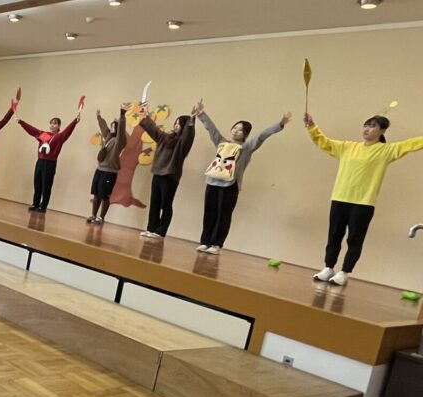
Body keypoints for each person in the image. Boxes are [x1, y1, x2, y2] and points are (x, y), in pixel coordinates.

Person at [305, 112, 423, 285]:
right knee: (334, 235)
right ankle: (328, 267)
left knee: (354, 239)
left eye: (372, 126)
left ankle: (344, 272)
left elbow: (410, 144)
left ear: (382, 131)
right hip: (339, 198)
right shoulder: (347, 147)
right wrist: (312, 127)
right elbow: (325, 142)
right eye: (366, 125)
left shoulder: (387, 150)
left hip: (363, 203)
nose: (367, 129)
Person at [195, 101, 290, 253]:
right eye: (235, 128)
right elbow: (212, 129)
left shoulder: (246, 147)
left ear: (245, 134)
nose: (236, 131)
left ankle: (216, 244)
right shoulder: (221, 142)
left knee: (223, 215)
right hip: (212, 182)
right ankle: (205, 241)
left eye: (240, 130)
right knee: (209, 213)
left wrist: (280, 124)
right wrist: (201, 114)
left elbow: (261, 136)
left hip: (230, 185)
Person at [138, 106, 196, 239]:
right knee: (155, 203)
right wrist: (146, 116)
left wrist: (191, 120)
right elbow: (154, 130)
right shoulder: (165, 137)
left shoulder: (182, 143)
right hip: (158, 174)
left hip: (170, 176)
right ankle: (151, 228)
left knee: (166, 204)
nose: (176, 125)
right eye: (175, 123)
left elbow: (189, 136)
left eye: (179, 124)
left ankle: (160, 231)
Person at [18, 106, 82, 212]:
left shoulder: (60, 137)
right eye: (51, 123)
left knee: (46, 185)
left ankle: (43, 207)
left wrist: (75, 121)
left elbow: (68, 131)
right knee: (37, 183)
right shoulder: (44, 135)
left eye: (55, 123)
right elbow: (32, 130)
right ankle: (35, 204)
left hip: (50, 163)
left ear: (59, 126)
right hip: (40, 161)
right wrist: (22, 123)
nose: (52, 125)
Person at [89, 105, 129, 224]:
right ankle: (93, 215)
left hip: (109, 172)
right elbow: (103, 127)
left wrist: (122, 116)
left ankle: (101, 217)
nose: (112, 128)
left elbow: (121, 130)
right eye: (111, 126)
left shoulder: (119, 141)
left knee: (104, 195)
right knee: (96, 194)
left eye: (114, 127)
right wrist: (99, 117)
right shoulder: (107, 138)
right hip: (99, 170)